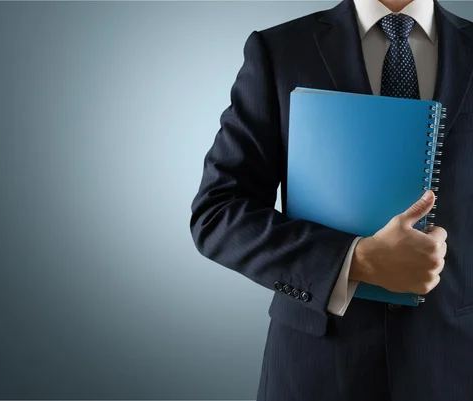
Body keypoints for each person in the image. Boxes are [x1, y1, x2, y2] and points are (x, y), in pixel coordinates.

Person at [189, 0, 473, 399]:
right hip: (317, 371)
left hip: (458, 365)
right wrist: (354, 260)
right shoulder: (280, 49)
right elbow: (218, 213)